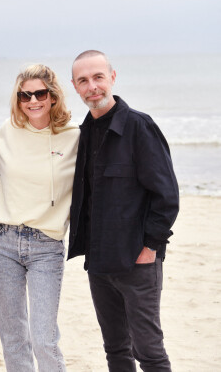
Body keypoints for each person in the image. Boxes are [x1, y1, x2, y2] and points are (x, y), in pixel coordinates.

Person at [0, 64, 79, 371]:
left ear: (53, 96)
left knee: (44, 338)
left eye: (40, 93)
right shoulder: (5, 132)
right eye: (25, 95)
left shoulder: (74, 137)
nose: (32, 101)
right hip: (1, 242)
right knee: (13, 338)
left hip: (47, 245)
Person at [68, 50, 179, 371]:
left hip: (137, 263)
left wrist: (150, 248)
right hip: (100, 264)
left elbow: (167, 196)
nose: (92, 87)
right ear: (75, 87)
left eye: (98, 77)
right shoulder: (83, 133)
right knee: (115, 350)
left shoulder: (139, 127)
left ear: (112, 78)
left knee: (150, 352)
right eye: (83, 81)